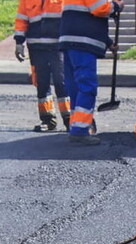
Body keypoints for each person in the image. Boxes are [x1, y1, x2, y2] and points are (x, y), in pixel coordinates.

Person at [60, 0, 124, 145]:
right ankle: (80, 131)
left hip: (70, 40)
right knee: (87, 87)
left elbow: (85, 16)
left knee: (75, 87)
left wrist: (108, 42)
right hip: (82, 43)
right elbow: (99, 8)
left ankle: (76, 126)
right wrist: (116, 6)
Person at [15, 0, 72, 132]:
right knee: (42, 83)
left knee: (61, 82)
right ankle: (48, 120)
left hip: (58, 46)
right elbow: (22, 20)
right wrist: (19, 42)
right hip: (36, 47)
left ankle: (69, 119)